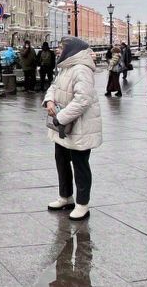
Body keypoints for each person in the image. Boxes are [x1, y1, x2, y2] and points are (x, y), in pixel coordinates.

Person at [43, 36, 102, 221]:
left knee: (80, 165)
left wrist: (60, 118)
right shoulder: (66, 67)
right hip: (63, 126)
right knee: (61, 161)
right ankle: (65, 197)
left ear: (72, 50)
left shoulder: (81, 69)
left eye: (61, 47)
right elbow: (53, 86)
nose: (58, 50)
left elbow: (82, 100)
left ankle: (82, 204)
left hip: (80, 126)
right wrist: (49, 100)